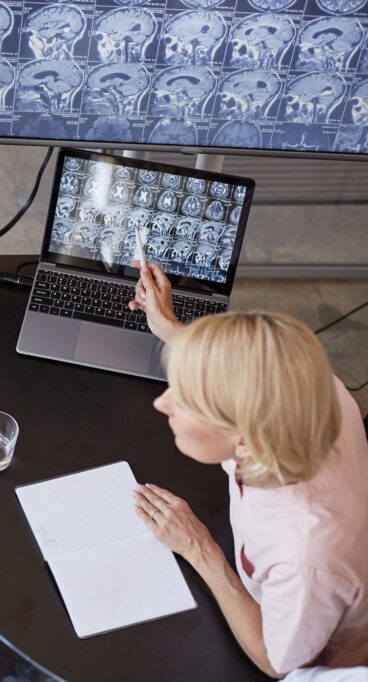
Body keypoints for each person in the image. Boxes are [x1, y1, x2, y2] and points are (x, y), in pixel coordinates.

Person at [128, 261, 368, 677]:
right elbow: (254, 375)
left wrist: (198, 548)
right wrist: (172, 330)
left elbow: (277, 661)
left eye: (185, 400)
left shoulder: (303, 558)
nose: (162, 402)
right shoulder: (314, 388)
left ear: (246, 440)